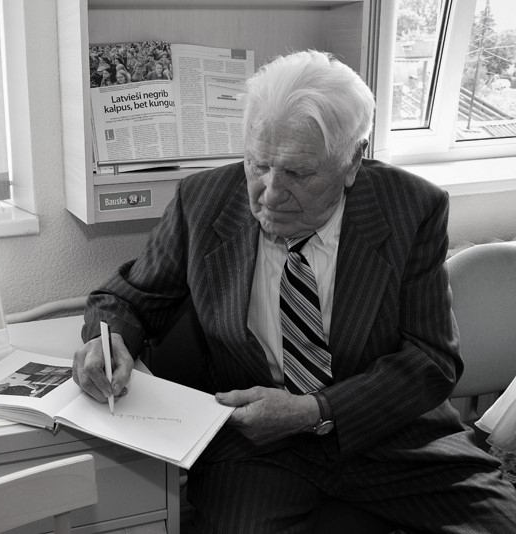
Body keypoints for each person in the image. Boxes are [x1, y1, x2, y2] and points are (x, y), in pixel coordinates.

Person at [73, 50, 516, 533]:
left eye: (298, 173)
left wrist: (315, 411)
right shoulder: (202, 202)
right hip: (257, 448)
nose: (269, 193)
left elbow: (433, 359)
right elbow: (127, 298)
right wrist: (106, 341)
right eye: (257, 164)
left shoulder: (412, 208)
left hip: (392, 435)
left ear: (353, 161)